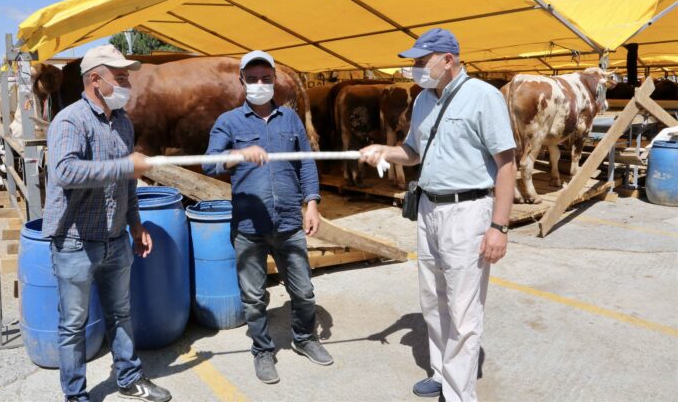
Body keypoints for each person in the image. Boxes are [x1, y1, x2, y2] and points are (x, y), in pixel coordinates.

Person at [360, 29, 516, 402]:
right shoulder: (422, 101)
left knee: (463, 309)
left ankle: (460, 394)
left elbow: (507, 164)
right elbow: (413, 152)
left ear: (448, 60)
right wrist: (386, 150)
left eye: (420, 61)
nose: (415, 69)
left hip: (467, 210)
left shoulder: (483, 97)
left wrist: (499, 226)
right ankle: (442, 373)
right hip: (429, 208)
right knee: (432, 299)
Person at [44, 44, 171, 402]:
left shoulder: (124, 123)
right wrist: (125, 166)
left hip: (115, 239)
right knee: (73, 326)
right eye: (121, 77)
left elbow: (127, 183)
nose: (128, 83)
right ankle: (75, 396)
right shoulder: (70, 121)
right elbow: (66, 171)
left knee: (121, 313)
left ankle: (129, 378)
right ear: (95, 80)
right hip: (75, 243)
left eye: (127, 76)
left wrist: (136, 225)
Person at [203, 50, 333, 384]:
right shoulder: (228, 122)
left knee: (303, 291)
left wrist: (313, 204)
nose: (259, 84)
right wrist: (238, 154)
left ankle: (304, 339)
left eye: (266, 78)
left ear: (274, 80)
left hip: (289, 221)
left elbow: (305, 162)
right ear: (242, 80)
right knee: (253, 296)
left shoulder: (289, 120)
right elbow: (210, 163)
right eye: (253, 78)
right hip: (249, 226)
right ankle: (262, 351)